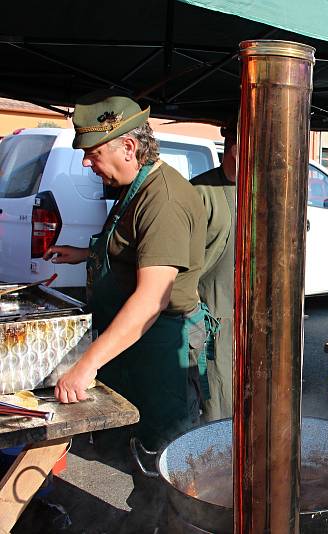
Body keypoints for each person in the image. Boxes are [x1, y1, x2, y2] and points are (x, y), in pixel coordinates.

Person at [44, 91, 211, 450]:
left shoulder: (162, 198)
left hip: (163, 346)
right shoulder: (131, 186)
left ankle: (167, 508)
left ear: (129, 148)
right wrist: (81, 254)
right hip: (138, 344)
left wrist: (85, 365)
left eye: (94, 153)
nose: (87, 162)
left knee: (164, 451)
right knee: (135, 447)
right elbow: (130, 250)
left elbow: (151, 301)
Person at [191, 123, 237, 421]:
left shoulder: (265, 188)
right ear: (234, 148)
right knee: (218, 408)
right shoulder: (199, 192)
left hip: (255, 320)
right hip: (215, 319)